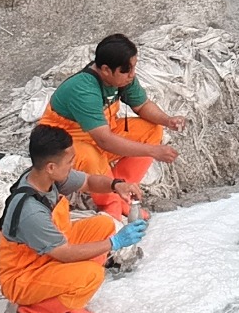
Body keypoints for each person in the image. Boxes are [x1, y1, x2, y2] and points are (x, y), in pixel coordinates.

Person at [0, 124, 147, 313]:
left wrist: (117, 185)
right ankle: (37, 309)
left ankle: (67, 298)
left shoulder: (47, 178)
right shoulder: (31, 211)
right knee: (91, 275)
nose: (73, 165)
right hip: (24, 275)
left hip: (48, 252)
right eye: (69, 162)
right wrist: (116, 242)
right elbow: (64, 254)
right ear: (50, 167)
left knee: (103, 225)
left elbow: (88, 181)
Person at [36, 32, 186, 220]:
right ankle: (110, 204)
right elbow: (105, 140)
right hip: (64, 143)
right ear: (106, 70)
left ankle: (123, 188)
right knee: (92, 156)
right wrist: (154, 151)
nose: (132, 75)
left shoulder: (123, 77)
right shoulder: (83, 89)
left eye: (133, 68)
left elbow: (142, 105)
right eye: (126, 71)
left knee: (152, 129)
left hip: (99, 132)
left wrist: (167, 120)